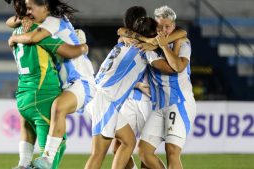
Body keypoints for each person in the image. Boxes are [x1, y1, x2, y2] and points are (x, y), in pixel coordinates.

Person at [8, 0, 96, 168]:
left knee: (58, 107)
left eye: (31, 8)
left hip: (81, 81)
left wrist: (13, 38)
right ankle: (27, 163)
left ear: (46, 7)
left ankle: (47, 159)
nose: (28, 12)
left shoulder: (52, 21)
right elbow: (9, 22)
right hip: (65, 84)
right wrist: (22, 19)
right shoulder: (40, 21)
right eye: (26, 9)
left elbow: (33, 37)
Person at [113, 6, 188, 169]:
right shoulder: (127, 39)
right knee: (119, 147)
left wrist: (155, 43)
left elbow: (181, 33)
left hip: (148, 99)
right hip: (130, 98)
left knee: (143, 152)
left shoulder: (152, 40)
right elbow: (121, 32)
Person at [84, 16, 158, 169]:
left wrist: (136, 84)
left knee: (129, 141)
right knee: (98, 154)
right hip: (105, 101)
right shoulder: (142, 51)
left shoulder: (122, 43)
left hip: (100, 96)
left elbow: (119, 72)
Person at [138, 6, 196, 169]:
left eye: (167, 26)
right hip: (158, 106)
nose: (163, 30)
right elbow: (170, 67)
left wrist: (163, 45)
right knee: (144, 152)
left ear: (174, 26)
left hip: (179, 103)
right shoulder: (149, 49)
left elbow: (177, 67)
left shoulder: (184, 43)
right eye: (159, 27)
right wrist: (161, 44)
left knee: (172, 151)